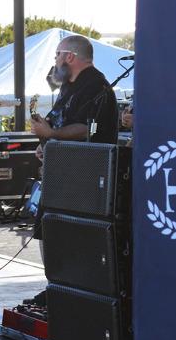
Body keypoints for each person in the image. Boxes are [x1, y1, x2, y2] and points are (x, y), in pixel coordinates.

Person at [30, 34, 118, 242]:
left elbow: (86, 128)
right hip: (62, 172)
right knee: (48, 231)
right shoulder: (68, 85)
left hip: (84, 176)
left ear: (70, 56)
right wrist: (46, 142)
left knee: (75, 239)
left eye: (57, 55)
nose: (55, 60)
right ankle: (53, 274)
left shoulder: (96, 86)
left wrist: (51, 134)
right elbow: (61, 120)